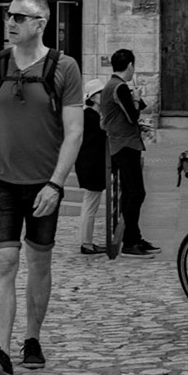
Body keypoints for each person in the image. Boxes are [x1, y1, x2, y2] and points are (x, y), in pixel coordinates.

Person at [0, 0, 83, 375]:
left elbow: (74, 133)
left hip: (43, 184)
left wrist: (56, 184)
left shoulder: (64, 67)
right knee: (4, 262)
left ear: (40, 23)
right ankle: (1, 351)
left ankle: (32, 337)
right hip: (0, 182)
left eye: (18, 17)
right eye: (7, 15)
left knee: (39, 262)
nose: (9, 22)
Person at [97, 48, 156, 255]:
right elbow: (132, 115)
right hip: (125, 145)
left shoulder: (112, 85)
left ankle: (134, 237)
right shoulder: (119, 87)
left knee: (131, 193)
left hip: (122, 143)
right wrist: (137, 98)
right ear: (130, 65)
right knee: (136, 193)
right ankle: (131, 241)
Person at [75, 77, 111, 256]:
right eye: (100, 93)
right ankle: (86, 243)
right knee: (90, 205)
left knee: (90, 204)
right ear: (93, 97)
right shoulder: (89, 116)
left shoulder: (93, 115)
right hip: (91, 166)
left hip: (91, 165)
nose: (103, 96)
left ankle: (86, 241)